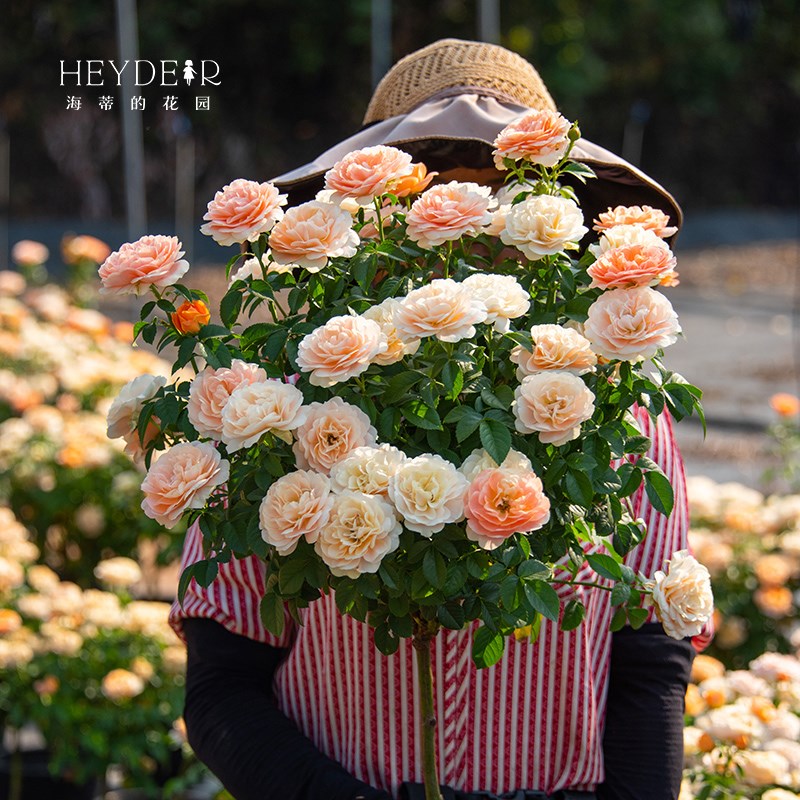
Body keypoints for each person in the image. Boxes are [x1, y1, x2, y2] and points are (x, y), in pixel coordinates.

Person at [170, 39, 710, 800]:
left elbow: (648, 665)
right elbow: (222, 685)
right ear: (369, 219)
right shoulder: (282, 418)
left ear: (548, 218)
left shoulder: (612, 414)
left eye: (495, 195)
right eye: (438, 199)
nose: (465, 231)